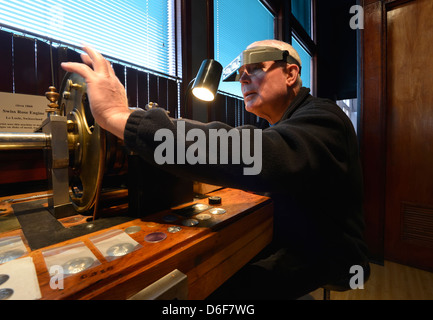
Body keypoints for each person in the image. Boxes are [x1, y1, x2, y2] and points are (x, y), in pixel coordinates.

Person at [61, 39, 369, 300]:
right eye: (242, 75)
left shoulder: (323, 116)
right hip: (293, 231)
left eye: (256, 70)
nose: (245, 80)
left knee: (219, 290)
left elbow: (257, 154)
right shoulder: (283, 124)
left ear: (290, 73)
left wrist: (118, 116)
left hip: (327, 249)